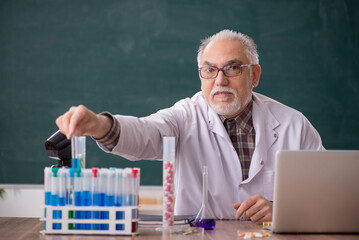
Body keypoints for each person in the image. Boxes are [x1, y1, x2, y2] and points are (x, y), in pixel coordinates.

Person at [56, 29, 324, 224]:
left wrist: (283, 209)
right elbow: (146, 133)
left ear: (254, 75)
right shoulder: (185, 116)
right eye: (209, 70)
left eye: (232, 68)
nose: (220, 81)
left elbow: (329, 195)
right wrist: (100, 125)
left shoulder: (293, 125)